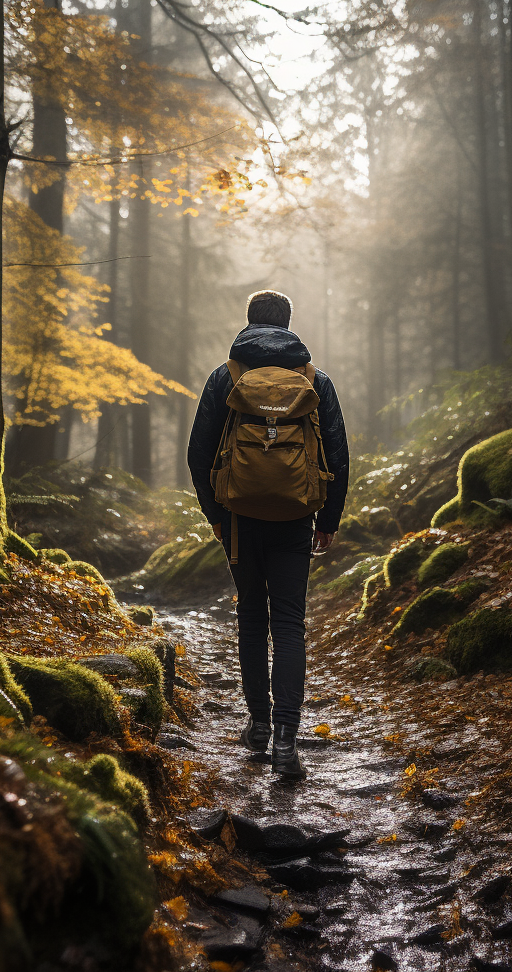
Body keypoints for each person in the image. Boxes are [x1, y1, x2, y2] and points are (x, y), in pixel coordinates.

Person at [187, 290, 349, 781]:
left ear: (250, 322)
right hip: (297, 517)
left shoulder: (226, 377)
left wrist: (215, 514)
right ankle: (285, 741)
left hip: (238, 519)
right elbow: (337, 457)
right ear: (289, 324)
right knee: (290, 623)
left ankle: (257, 726)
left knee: (253, 618)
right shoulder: (314, 380)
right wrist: (329, 520)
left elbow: (198, 454)